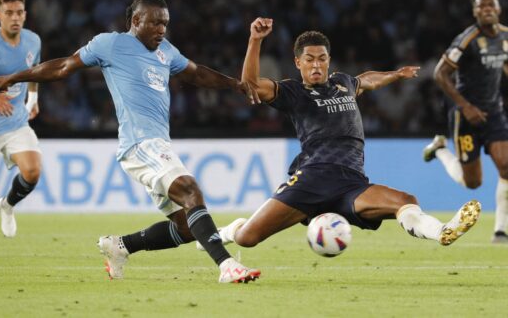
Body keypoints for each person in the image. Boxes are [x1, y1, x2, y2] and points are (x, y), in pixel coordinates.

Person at [0, 0, 260, 283]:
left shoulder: (165, 50)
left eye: (165, 24)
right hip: (140, 144)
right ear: (136, 20)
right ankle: (226, 265)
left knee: (186, 227)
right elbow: (63, 66)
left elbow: (196, 74)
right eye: (156, 23)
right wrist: (16, 77)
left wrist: (235, 84)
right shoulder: (111, 44)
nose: (161, 30)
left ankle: (121, 246)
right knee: (191, 190)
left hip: (158, 144)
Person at [196, 17, 481, 257]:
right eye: (309, 60)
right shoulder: (293, 92)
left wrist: (395, 74)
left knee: (405, 199)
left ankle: (442, 231)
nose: (316, 65)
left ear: (329, 60)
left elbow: (367, 79)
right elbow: (251, 85)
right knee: (248, 238)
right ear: (298, 63)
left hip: (351, 183)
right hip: (311, 180)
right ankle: (228, 231)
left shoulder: (343, 83)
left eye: (322, 59)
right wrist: (255, 40)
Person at [422, 0, 508, 244]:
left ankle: (501, 230)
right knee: (473, 183)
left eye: (491, 5)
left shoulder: (505, 37)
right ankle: (439, 149)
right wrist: (466, 106)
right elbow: (440, 73)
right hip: (465, 116)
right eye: (481, 6)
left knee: (506, 166)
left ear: (499, 9)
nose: (487, 10)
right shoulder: (467, 39)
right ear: (475, 12)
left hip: (494, 113)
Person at [0, 0, 41, 238]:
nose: (15, 17)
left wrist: (33, 99)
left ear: (25, 14)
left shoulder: (33, 41)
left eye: (19, 12)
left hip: (15, 121)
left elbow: (34, 72)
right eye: (9, 13)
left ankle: (6, 206)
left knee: (32, 172)